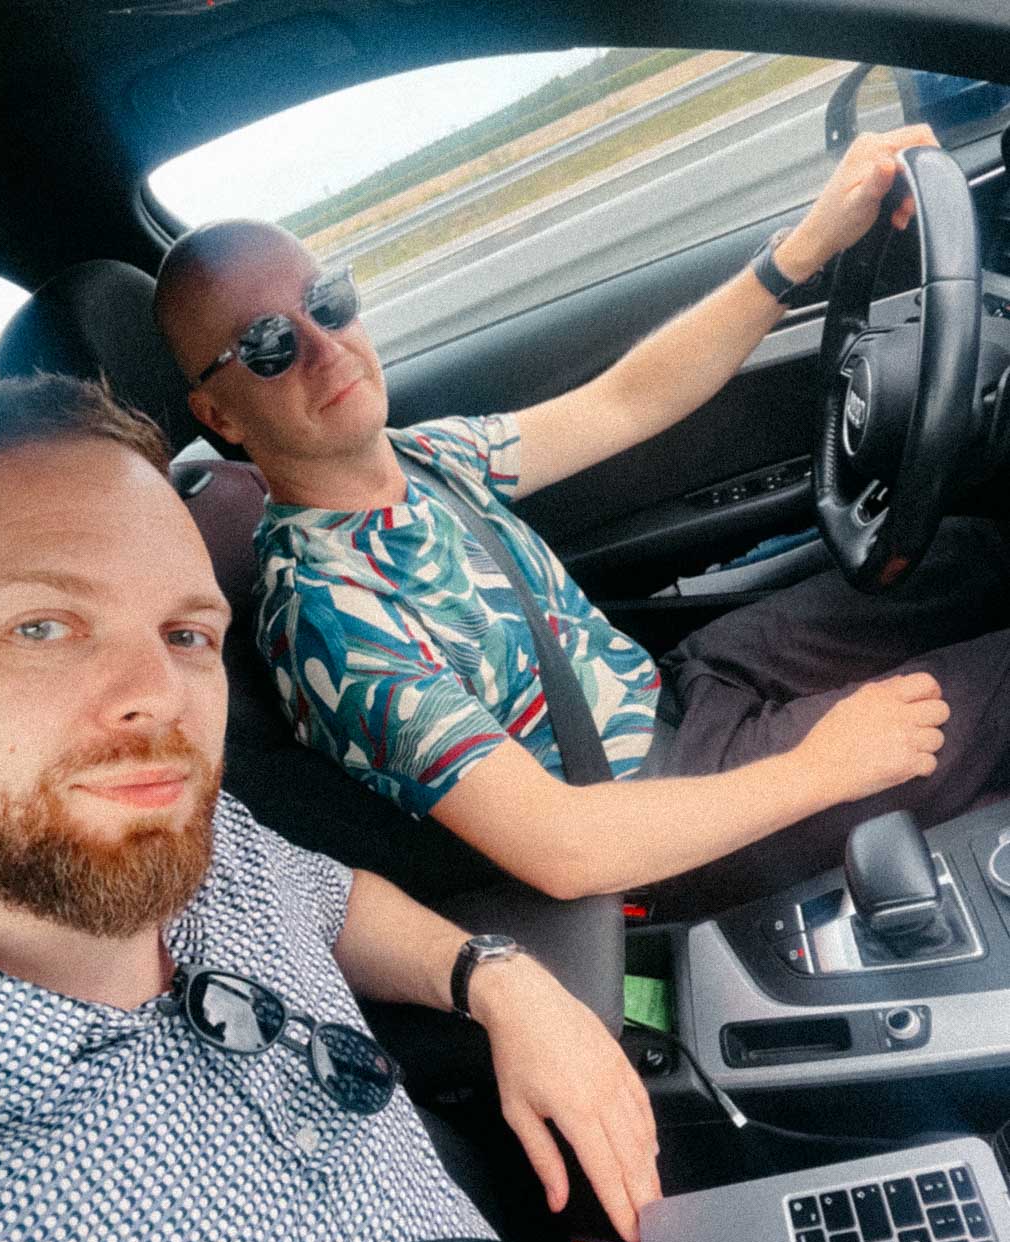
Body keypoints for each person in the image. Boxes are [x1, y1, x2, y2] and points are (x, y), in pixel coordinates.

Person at [0, 374, 661, 1242]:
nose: (158, 696)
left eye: (186, 634)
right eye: (42, 626)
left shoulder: (196, 845)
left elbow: (332, 901)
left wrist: (498, 981)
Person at [153, 125, 1010, 918]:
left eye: (328, 300)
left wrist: (807, 248)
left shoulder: (424, 457)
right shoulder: (327, 613)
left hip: (676, 693)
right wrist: (822, 767)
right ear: (219, 416)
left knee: (969, 554)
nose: (325, 346)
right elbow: (565, 849)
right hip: (664, 828)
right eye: (268, 346)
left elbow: (626, 400)